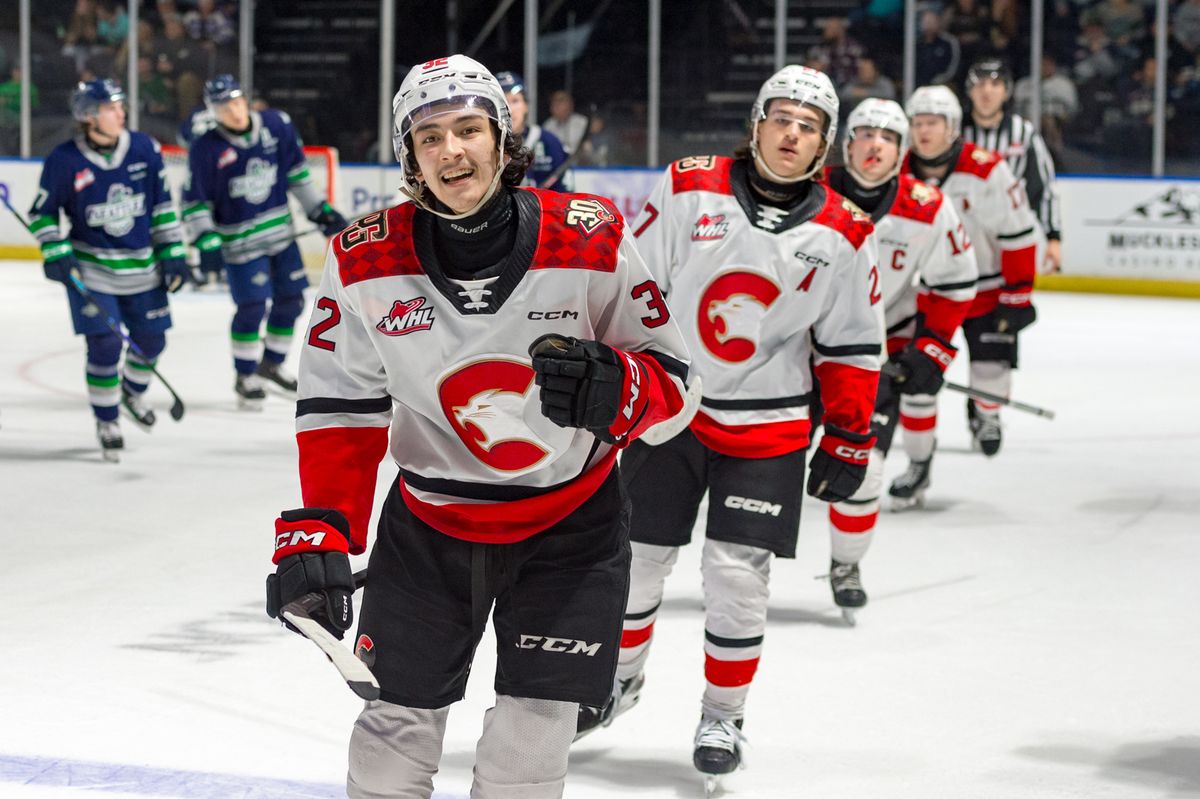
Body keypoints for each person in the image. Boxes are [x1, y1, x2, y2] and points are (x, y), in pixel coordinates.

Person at [263, 54, 690, 799]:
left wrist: (618, 388)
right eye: (430, 136)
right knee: (392, 734)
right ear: (409, 156)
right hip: (429, 530)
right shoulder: (363, 259)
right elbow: (340, 409)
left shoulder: (589, 238)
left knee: (531, 739)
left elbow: (675, 389)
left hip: (571, 529)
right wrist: (322, 529)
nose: (452, 149)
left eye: (468, 129)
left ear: (500, 137)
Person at [582, 65, 884, 787]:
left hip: (770, 427)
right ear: (755, 125)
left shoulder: (845, 229)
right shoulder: (690, 185)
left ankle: (724, 712)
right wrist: (617, 379)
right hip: (672, 413)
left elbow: (851, 341)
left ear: (825, 145)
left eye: (809, 126)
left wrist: (848, 433)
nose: (792, 133)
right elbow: (636, 287)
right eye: (781, 117)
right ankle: (618, 679)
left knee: (736, 576)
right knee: (641, 559)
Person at [823, 99, 977, 587]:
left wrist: (930, 348)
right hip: (791, 352)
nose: (875, 145)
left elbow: (955, 283)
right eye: (865, 134)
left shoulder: (929, 207)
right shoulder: (809, 190)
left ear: (902, 151)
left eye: (888, 138)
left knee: (865, 470)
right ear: (847, 144)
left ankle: (846, 562)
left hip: (873, 358)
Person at [27, 78, 190, 459]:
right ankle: (107, 418)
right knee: (104, 343)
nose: (122, 113)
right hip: (92, 270)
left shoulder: (144, 149)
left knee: (152, 341)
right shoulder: (64, 160)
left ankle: (131, 394)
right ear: (89, 116)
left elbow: (162, 206)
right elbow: (41, 213)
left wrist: (173, 251)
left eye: (120, 106)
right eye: (112, 107)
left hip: (142, 269)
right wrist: (54, 248)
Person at [182, 75, 348, 408]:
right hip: (241, 246)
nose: (235, 110)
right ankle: (245, 375)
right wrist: (205, 239)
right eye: (225, 106)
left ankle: (271, 364)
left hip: (281, 238)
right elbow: (195, 202)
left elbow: (297, 176)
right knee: (253, 306)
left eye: (237, 101)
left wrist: (319, 211)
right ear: (213, 111)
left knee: (292, 302)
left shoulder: (276, 126)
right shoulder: (206, 148)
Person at [902, 85, 1040, 460]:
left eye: (933, 123)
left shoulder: (986, 167)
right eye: (917, 122)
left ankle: (987, 413)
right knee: (916, 378)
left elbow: (1018, 232)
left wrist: (1017, 295)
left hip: (986, 290)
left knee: (990, 371)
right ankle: (918, 460)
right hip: (925, 295)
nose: (923, 131)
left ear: (953, 128)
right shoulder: (896, 168)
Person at [963, 58, 1064, 273]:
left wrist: (1053, 237)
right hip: (963, 234)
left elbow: (1044, 188)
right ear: (970, 91)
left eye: (995, 85)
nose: (987, 92)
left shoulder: (1023, 133)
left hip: (1010, 234)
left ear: (1006, 92)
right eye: (980, 85)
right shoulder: (955, 135)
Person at [495, 70, 570, 190]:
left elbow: (566, 196)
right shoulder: (486, 145)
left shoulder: (549, 143)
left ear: (526, 106)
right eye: (502, 102)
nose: (509, 109)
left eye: (515, 101)